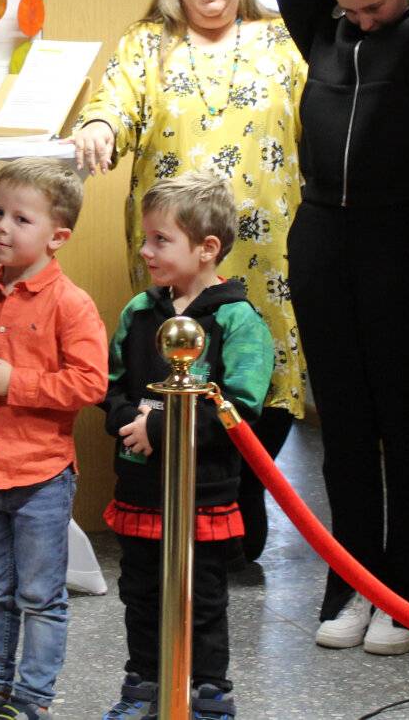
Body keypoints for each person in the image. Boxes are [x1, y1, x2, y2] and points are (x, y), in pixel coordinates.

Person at [267, 0, 409, 654]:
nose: (361, 21)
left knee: (406, 424)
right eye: (351, 8)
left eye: (375, 6)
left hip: (399, 239)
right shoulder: (325, 32)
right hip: (324, 239)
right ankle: (352, 584)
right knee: (345, 429)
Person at [72, 0, 306, 557]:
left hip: (268, 256)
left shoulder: (283, 40)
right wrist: (98, 125)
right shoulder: (146, 43)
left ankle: (238, 501)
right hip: (175, 258)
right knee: (171, 370)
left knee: (260, 374)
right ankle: (187, 509)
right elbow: (113, 103)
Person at [0, 158, 109, 720]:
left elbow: (90, 383)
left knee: (39, 596)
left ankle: (32, 698)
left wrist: (16, 383)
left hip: (40, 478)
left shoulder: (71, 304)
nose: (1, 227)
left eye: (21, 219)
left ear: (58, 237)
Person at [98, 170, 273, 720]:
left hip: (203, 490)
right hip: (141, 486)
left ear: (207, 248)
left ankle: (208, 691)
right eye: (145, 238)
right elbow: (111, 384)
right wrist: (128, 421)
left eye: (160, 240)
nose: (146, 251)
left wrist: (160, 431)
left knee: (203, 597)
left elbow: (240, 408)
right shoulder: (139, 311)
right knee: (141, 593)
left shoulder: (237, 319)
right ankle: (144, 684)